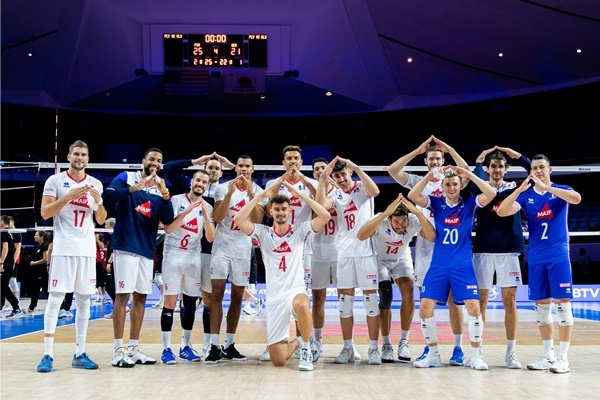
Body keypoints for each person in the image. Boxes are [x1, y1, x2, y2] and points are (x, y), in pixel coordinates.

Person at [387, 135, 470, 364]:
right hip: (426, 249)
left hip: (451, 247)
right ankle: (429, 349)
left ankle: (458, 349)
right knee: (427, 301)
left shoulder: (452, 180)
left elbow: (467, 171)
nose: (434, 162)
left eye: (438, 158)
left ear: (443, 160)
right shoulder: (417, 180)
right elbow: (393, 171)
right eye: (431, 158)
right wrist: (416, 150)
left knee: (455, 300)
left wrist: (451, 148)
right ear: (426, 161)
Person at [497, 154, 582, 374]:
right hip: (536, 258)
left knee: (563, 306)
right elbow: (503, 211)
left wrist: (548, 187)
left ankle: (563, 359)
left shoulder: (561, 190)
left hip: (558, 256)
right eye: (534, 168)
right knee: (542, 309)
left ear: (549, 169)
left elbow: (577, 198)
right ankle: (548, 355)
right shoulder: (527, 196)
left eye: (542, 167)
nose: (538, 171)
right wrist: (519, 189)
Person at [234, 178, 329, 371]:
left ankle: (305, 350)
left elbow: (325, 215)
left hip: (295, 291)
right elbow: (238, 220)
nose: (280, 212)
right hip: (275, 298)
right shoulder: (262, 232)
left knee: (303, 304)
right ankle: (302, 338)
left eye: (284, 209)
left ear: (289, 211)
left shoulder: (300, 231)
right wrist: (260, 196)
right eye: (276, 209)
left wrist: (300, 194)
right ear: (271, 212)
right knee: (279, 359)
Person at [408, 165, 496, 370]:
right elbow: (413, 195)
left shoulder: (469, 203)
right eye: (447, 184)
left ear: (460, 185)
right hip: (438, 265)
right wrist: (431, 174)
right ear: (442, 185)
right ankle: (433, 354)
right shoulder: (437, 203)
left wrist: (470, 175)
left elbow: (490, 193)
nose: (451, 187)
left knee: (474, 308)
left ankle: (476, 355)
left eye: (455, 183)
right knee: (425, 308)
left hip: (462, 266)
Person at [36, 140, 107, 373]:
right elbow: (45, 213)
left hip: (86, 251)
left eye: (83, 154)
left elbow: (101, 219)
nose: (80, 157)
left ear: (88, 158)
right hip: (64, 248)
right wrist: (69, 196)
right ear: (69, 156)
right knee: (55, 299)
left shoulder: (95, 183)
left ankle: (80, 353)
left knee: (85, 300)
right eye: (76, 153)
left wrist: (97, 202)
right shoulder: (55, 181)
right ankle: (47, 354)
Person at [102, 147, 175, 368]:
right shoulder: (126, 177)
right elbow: (108, 197)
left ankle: (133, 349)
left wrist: (164, 195)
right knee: (122, 297)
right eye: (151, 159)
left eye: (159, 161)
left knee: (141, 297)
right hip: (125, 246)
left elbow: (168, 219)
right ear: (143, 161)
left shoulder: (161, 187)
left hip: (146, 249)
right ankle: (117, 351)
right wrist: (135, 188)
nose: (155, 163)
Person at [163, 152, 235, 357]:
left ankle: (207, 343)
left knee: (209, 299)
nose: (211, 171)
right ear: (194, 179)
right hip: (187, 252)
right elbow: (168, 167)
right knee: (189, 301)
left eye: (216, 169)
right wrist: (195, 162)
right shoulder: (183, 192)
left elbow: (242, 175)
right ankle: (180, 345)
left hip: (210, 252)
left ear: (221, 173)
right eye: (208, 168)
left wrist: (230, 165)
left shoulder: (220, 193)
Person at [316, 156, 381, 365]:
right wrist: (323, 180)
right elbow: (320, 205)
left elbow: (376, 192)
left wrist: (356, 166)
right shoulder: (335, 193)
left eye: (343, 174)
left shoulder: (362, 187)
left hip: (366, 253)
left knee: (371, 305)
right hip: (343, 253)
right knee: (345, 305)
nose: (341, 179)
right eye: (337, 176)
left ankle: (373, 349)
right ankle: (347, 347)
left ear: (350, 173)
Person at [204, 154, 268, 364]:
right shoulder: (223, 188)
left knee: (238, 297)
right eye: (240, 165)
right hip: (222, 248)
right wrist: (231, 193)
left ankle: (229, 343)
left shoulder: (259, 191)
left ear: (252, 168)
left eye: (247, 166)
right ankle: (214, 344)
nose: (243, 169)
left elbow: (258, 219)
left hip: (243, 249)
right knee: (217, 295)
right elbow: (218, 218)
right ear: (235, 168)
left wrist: (250, 193)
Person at [471, 146, 531, 369]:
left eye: (501, 166)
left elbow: (533, 172)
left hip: (508, 250)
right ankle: (477, 352)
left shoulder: (516, 188)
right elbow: (473, 178)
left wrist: (518, 156)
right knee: (482, 302)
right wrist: (478, 160)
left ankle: (511, 353)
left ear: (506, 170)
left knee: (510, 302)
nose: (497, 169)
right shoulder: (480, 189)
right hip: (484, 249)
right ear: (487, 169)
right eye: (493, 166)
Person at [356, 194, 435, 363]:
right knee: (386, 296)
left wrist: (418, 213)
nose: (401, 226)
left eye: (403, 221)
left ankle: (404, 341)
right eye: (396, 222)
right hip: (380, 259)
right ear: (390, 219)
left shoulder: (412, 220)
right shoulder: (381, 219)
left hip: (401, 258)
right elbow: (361, 235)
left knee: (408, 294)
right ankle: (386, 344)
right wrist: (385, 214)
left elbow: (431, 236)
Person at [260, 145, 319, 360]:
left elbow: (320, 206)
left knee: (300, 299)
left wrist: (302, 183)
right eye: (289, 159)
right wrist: (282, 182)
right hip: (277, 242)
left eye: (296, 158)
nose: (293, 162)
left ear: (301, 162)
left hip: (302, 242)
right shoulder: (272, 184)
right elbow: (267, 209)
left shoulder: (310, 182)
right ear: (283, 162)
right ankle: (278, 341)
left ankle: (306, 341)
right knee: (281, 290)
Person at [159, 168, 215, 364]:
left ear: (207, 186)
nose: (200, 184)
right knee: (169, 303)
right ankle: (166, 349)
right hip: (173, 255)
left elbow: (210, 237)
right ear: (192, 181)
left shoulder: (207, 206)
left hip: (193, 258)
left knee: (190, 303)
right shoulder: (176, 200)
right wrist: (187, 211)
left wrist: (207, 216)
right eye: (198, 180)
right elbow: (168, 229)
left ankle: (186, 346)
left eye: (204, 182)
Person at [308, 157, 340, 358]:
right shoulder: (311, 194)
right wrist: (320, 186)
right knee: (318, 298)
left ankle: (349, 343)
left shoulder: (341, 190)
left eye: (323, 167)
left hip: (339, 250)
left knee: (346, 297)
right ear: (314, 173)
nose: (321, 170)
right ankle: (318, 341)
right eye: (317, 169)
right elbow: (318, 211)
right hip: (317, 250)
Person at [1, 215, 23, 317]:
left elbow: (5, 249)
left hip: (6, 263)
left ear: (2, 221)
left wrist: (1, 262)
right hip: (8, 262)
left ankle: (16, 307)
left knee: (4, 286)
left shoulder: (4, 233)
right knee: (2, 285)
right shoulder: (8, 233)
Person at [26, 230, 50, 314]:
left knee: (45, 290)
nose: (34, 237)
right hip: (38, 272)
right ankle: (31, 307)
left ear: (41, 237)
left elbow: (46, 259)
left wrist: (34, 263)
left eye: (36, 235)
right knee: (35, 290)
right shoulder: (40, 246)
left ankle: (61, 307)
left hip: (43, 272)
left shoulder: (44, 246)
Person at [94, 232, 108, 304]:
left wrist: (97, 240)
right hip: (92, 262)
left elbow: (102, 247)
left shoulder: (100, 243)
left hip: (99, 263)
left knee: (101, 281)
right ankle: (99, 295)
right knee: (95, 281)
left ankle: (103, 296)